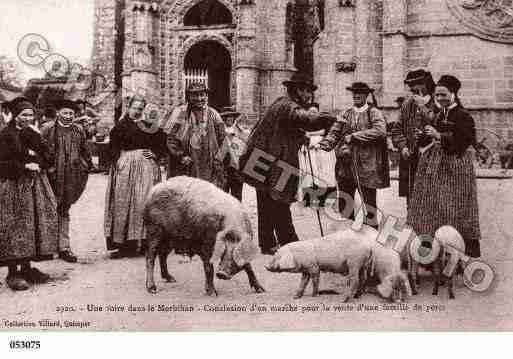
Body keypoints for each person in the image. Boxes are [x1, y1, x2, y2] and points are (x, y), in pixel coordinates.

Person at [239, 72, 335, 254]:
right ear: (297, 91)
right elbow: (306, 119)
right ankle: (290, 243)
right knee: (280, 200)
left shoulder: (279, 103)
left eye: (310, 92)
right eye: (306, 91)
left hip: (260, 159)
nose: (309, 96)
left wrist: (300, 137)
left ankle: (267, 243)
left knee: (266, 201)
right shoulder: (288, 106)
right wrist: (329, 119)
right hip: (273, 162)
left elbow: (285, 129)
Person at [407, 75, 481, 258]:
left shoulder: (464, 116)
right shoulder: (440, 114)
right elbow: (430, 136)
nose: (439, 99)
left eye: (443, 94)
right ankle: (433, 250)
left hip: (456, 168)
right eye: (437, 95)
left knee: (456, 208)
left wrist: (439, 135)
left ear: (454, 94)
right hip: (435, 168)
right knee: (431, 207)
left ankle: (459, 251)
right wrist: (422, 136)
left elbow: (464, 142)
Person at [0, 97, 59, 290]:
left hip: (34, 186)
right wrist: (24, 165)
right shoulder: (5, 135)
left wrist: (38, 158)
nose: (28, 118)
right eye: (24, 114)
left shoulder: (32, 133)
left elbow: (48, 156)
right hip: (13, 186)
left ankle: (26, 268)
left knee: (32, 225)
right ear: (15, 116)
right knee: (15, 227)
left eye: (31, 114)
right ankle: (12, 272)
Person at [318, 82, 389, 229]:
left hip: (367, 166)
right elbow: (335, 131)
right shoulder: (346, 113)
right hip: (346, 166)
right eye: (354, 92)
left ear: (366, 95)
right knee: (345, 204)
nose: (356, 95)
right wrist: (326, 143)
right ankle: (347, 235)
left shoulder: (374, 113)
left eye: (360, 93)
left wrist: (355, 136)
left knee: (369, 207)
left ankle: (370, 237)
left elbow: (380, 131)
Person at [104, 96, 167, 259]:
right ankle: (125, 245)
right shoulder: (120, 126)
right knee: (123, 204)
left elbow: (162, 142)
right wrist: (117, 160)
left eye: (141, 108)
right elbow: (112, 147)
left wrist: (155, 153)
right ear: (128, 107)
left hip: (146, 168)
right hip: (125, 168)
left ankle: (147, 243)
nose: (137, 111)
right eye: (135, 107)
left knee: (144, 202)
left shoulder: (149, 126)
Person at [41, 99, 93, 263]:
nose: (68, 116)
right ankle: (47, 247)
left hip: (71, 176)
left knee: (64, 208)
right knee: (49, 208)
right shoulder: (48, 129)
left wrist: (84, 166)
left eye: (71, 113)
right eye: (65, 113)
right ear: (57, 113)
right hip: (52, 175)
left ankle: (64, 247)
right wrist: (47, 167)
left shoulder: (78, 130)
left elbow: (85, 151)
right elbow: (39, 150)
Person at [162, 82, 226, 188]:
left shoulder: (214, 114)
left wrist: (218, 160)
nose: (199, 98)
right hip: (186, 164)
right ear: (189, 96)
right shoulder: (179, 113)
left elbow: (223, 139)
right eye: (195, 95)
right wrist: (180, 155)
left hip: (208, 164)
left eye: (202, 95)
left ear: (206, 96)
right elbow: (171, 138)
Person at [391, 69, 439, 207]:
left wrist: (422, 107)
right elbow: (396, 130)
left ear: (426, 84)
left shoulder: (439, 102)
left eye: (416, 84)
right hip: (411, 161)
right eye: (410, 85)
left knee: (432, 200)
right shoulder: (407, 104)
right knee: (412, 202)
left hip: (433, 160)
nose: (412, 88)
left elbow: (439, 125)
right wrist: (403, 147)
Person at [219, 106, 247, 201]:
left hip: (237, 171)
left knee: (237, 197)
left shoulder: (241, 132)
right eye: (227, 117)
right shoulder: (218, 132)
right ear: (223, 119)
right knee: (222, 197)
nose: (229, 119)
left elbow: (245, 149)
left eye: (231, 116)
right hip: (223, 170)